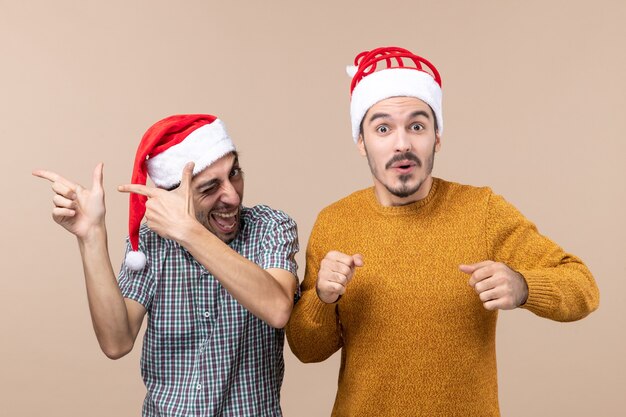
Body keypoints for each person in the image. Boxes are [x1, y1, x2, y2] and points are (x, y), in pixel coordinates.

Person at [285, 47, 599, 417]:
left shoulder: (481, 210)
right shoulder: (336, 221)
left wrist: (523, 286)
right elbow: (307, 350)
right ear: (361, 141)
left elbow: (583, 287)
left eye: (417, 126)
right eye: (382, 128)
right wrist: (324, 297)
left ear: (437, 136)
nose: (402, 143)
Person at [33, 114, 299, 416]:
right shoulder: (151, 244)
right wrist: (91, 235)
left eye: (234, 172)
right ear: (173, 198)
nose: (233, 195)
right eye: (210, 187)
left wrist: (189, 232)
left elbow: (278, 308)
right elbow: (116, 341)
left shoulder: (271, 227)